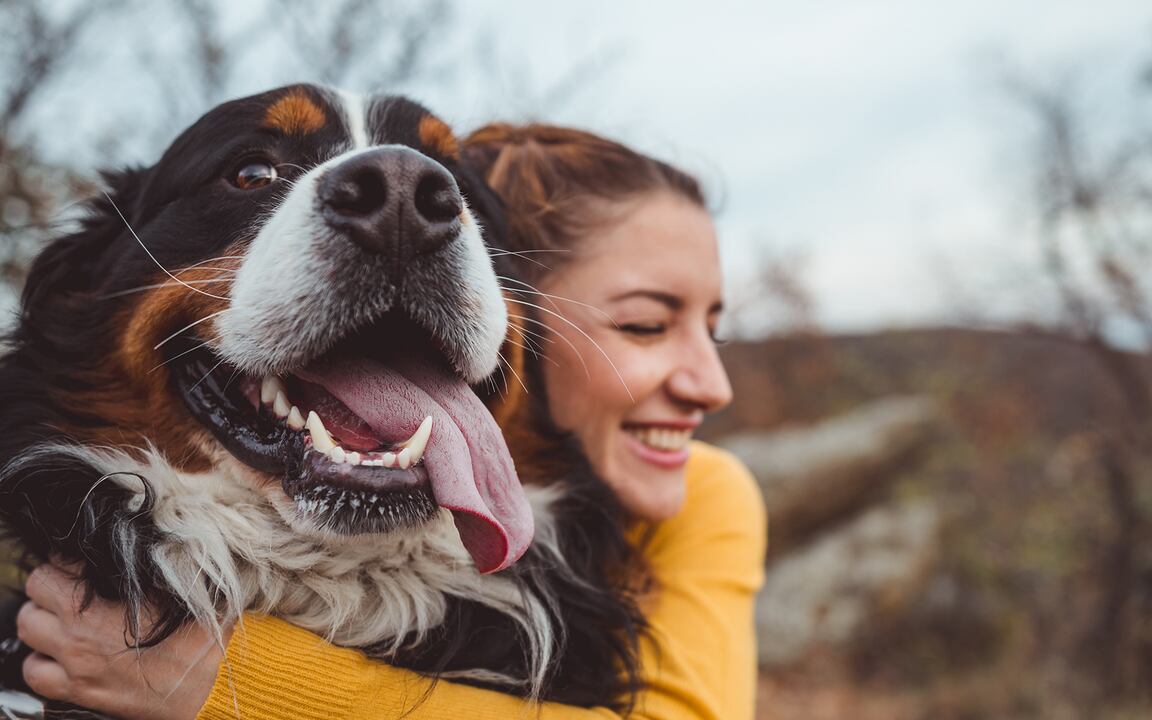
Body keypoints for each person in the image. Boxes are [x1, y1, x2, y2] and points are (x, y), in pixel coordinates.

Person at [16, 123, 766, 720]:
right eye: (643, 325)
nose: (714, 386)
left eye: (715, 329)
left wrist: (229, 684)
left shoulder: (708, 493)